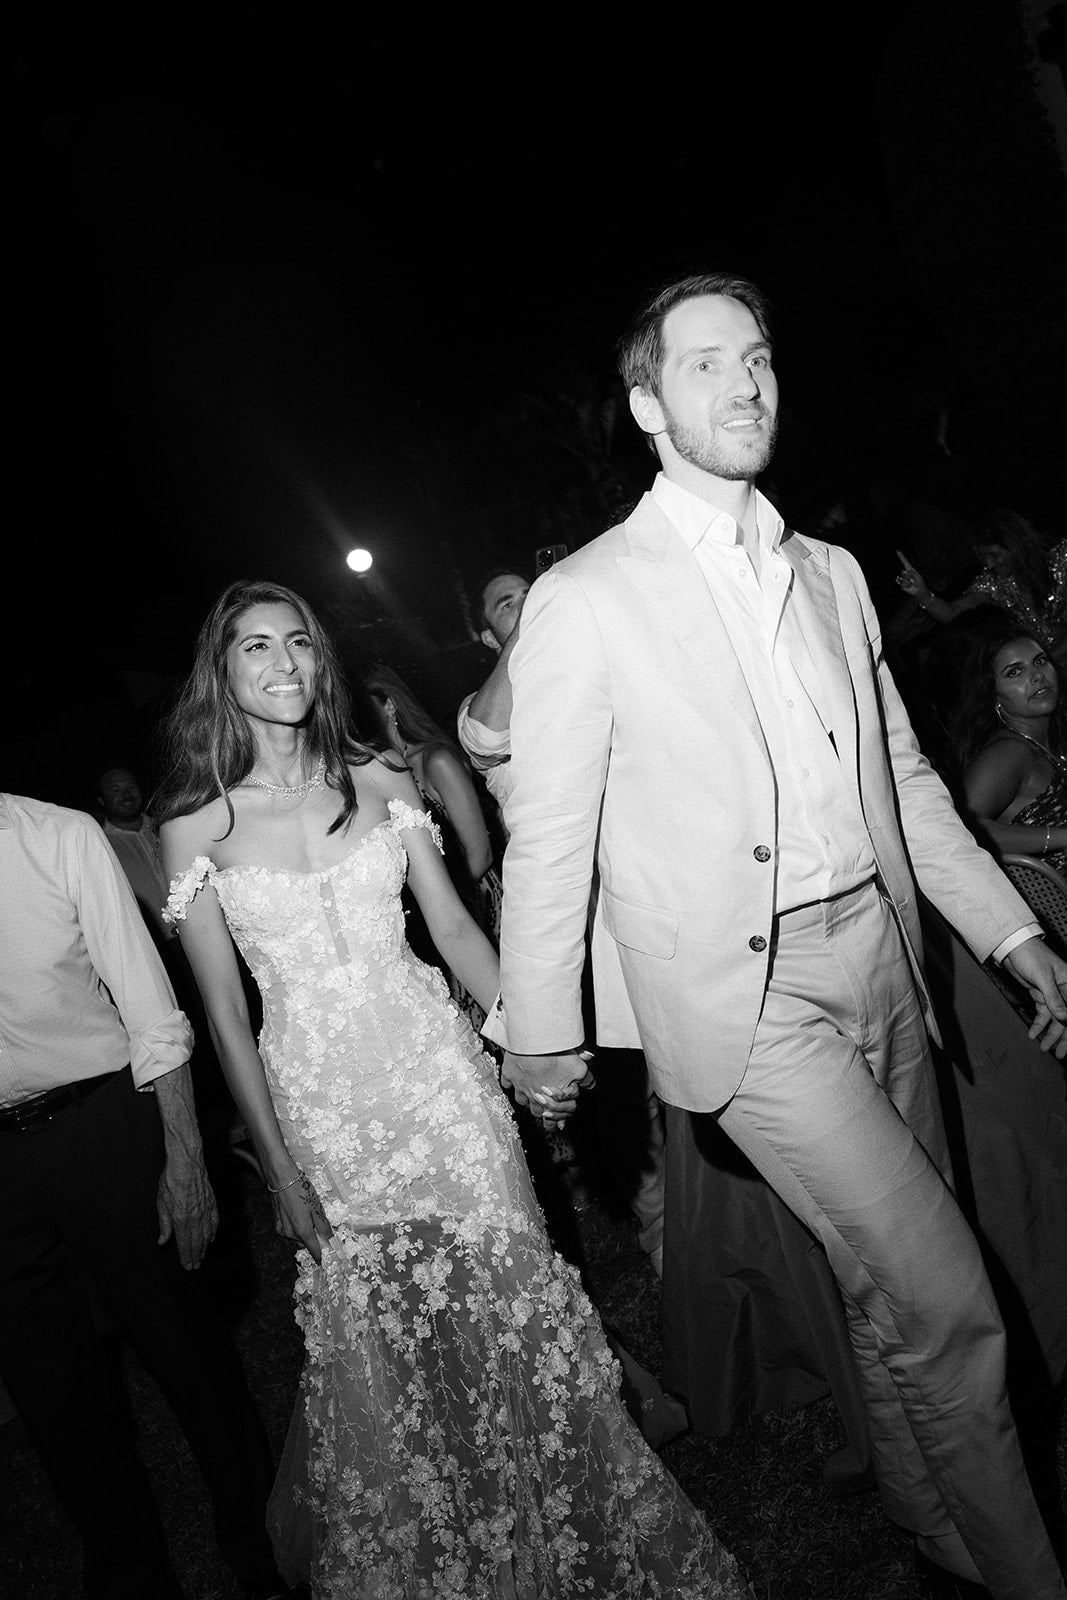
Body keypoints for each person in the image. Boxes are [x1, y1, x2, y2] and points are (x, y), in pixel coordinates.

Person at [495, 271, 1067, 1600]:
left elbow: (902, 780)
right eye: (704, 364)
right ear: (646, 404)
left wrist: (1000, 933)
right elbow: (549, 835)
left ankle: (932, 1537)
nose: (744, 380)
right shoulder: (586, 598)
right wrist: (540, 1028)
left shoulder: (829, 576)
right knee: (945, 1302)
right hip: (745, 1010)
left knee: (883, 1296)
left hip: (882, 956)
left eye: (753, 357)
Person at [153, 578, 752, 1600]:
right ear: (224, 672)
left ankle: (561, 1532)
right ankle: (452, 1553)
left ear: (320, 658)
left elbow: (461, 935)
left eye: (297, 642)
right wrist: (280, 1171)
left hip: (439, 1082)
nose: (283, 663)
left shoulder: (380, 779)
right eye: (255, 648)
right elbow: (226, 1019)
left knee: (512, 1298)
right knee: (386, 1345)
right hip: (324, 1112)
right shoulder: (192, 829)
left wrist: (532, 1041)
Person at [0, 790, 292, 1600]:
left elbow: (151, 1010)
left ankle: (263, 1551)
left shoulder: (57, 836)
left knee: (186, 1353)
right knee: (51, 1396)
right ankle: (131, 1579)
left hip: (101, 1125)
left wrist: (187, 1158)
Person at [361, 660, 503, 1031]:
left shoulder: (436, 759)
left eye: (365, 706)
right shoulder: (377, 776)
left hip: (475, 901)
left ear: (390, 705)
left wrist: (438, 906)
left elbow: (480, 851)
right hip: (435, 915)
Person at [952, 628, 1067, 873]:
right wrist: (1060, 837)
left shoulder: (1045, 738)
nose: (1036, 676)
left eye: (1040, 661)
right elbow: (963, 829)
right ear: (994, 696)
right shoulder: (1008, 752)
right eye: (1014, 672)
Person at [895, 507, 1067, 666]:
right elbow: (953, 613)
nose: (990, 564)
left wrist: (1049, 660)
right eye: (984, 557)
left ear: (1018, 546)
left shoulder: (1061, 560)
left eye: (995, 554)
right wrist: (923, 595)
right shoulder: (994, 582)